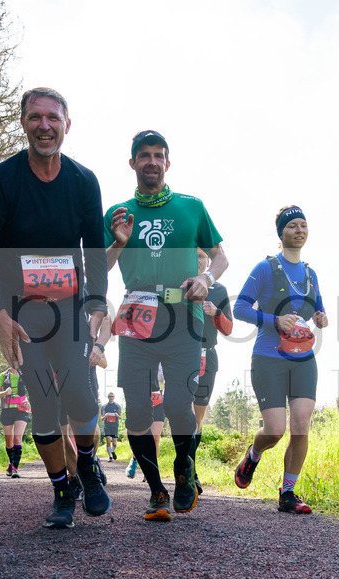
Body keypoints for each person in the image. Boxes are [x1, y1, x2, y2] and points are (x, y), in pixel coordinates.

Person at [0, 87, 111, 530]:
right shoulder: (2, 180)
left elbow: (94, 249)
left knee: (79, 395)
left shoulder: (84, 180)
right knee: (45, 405)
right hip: (22, 310)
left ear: (67, 125)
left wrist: (95, 305)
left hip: (70, 305)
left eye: (53, 117)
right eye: (35, 117)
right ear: (23, 123)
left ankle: (86, 465)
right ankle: (61, 490)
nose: (44, 125)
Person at [105, 130, 228, 522]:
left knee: (178, 403)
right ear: (133, 163)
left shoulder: (192, 207)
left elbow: (220, 257)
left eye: (159, 155)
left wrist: (205, 280)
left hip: (183, 321)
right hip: (136, 321)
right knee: (138, 410)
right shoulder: (118, 212)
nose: (152, 162)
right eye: (145, 155)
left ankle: (184, 468)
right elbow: (100, 267)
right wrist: (119, 242)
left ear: (168, 163)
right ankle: (156, 489)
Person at [232, 206, 328, 514]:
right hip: (268, 356)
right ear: (281, 234)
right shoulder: (265, 267)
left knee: (301, 425)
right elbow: (240, 308)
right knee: (275, 430)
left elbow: (318, 307)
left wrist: (320, 317)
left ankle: (288, 492)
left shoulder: (311, 273)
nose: (299, 230)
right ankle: (254, 454)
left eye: (304, 225)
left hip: (303, 358)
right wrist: (275, 319)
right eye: (292, 226)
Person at [194, 249, 233, 432]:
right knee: (179, 412)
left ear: (209, 261)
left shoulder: (219, 290)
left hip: (206, 357)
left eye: (201, 256)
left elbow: (228, 329)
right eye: (192, 255)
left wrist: (217, 313)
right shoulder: (177, 285)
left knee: (197, 419)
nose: (197, 259)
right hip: (178, 356)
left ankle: (190, 460)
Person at [0, 367, 30, 477]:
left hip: (22, 409)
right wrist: (4, 392)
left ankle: (15, 469)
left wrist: (29, 403)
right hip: (7, 409)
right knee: (9, 442)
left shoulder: (25, 375)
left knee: (17, 438)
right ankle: (11, 462)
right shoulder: (3, 376)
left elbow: (34, 392)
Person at [101, 392, 122, 460]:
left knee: (114, 443)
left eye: (112, 396)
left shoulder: (117, 406)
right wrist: (106, 415)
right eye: (110, 396)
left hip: (115, 426)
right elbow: (102, 418)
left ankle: (112, 452)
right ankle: (110, 457)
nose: (111, 397)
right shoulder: (104, 406)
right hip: (107, 426)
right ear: (108, 397)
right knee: (108, 441)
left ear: (114, 397)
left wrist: (117, 415)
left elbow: (120, 417)